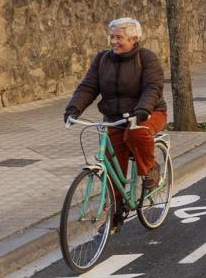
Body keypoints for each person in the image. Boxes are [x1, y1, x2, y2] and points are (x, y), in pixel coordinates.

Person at [64, 17, 167, 195]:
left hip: (148, 113)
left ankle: (150, 168)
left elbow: (153, 87)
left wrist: (142, 110)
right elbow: (88, 87)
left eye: (119, 38)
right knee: (112, 173)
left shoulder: (147, 58)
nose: (113, 41)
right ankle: (115, 216)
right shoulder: (102, 59)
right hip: (114, 118)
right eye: (111, 36)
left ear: (133, 39)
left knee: (136, 132)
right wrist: (74, 108)